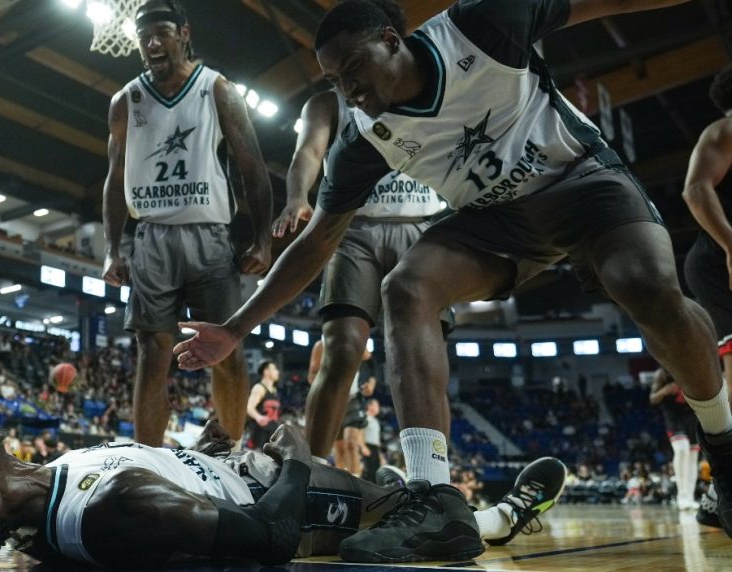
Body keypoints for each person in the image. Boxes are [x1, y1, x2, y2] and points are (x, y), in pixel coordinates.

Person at [174, 0, 732, 562]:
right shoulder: (363, 140)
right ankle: (434, 499)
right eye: (335, 80)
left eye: (353, 67)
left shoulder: (484, 24)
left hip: (582, 183)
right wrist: (235, 329)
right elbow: (317, 242)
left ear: (390, 39)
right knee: (406, 287)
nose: (349, 89)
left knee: (644, 286)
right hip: (499, 222)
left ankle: (724, 443)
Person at [0, 423, 565, 570]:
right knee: (421, 507)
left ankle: (404, 493)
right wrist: (297, 458)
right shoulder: (113, 507)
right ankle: (502, 516)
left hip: (232, 470)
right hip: (279, 496)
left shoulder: (45, 497)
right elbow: (270, 540)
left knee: (396, 496)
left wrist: (194, 459)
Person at [273, 0, 442, 470]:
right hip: (354, 229)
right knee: (343, 348)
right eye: (334, 74)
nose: (344, 81)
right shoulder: (328, 104)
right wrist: (297, 196)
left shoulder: (427, 78)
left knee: (420, 355)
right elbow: (307, 152)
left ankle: (430, 478)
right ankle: (309, 472)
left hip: (423, 226)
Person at [100, 0, 273, 445]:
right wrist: (111, 249)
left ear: (184, 33)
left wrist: (262, 239)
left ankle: (230, 453)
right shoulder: (126, 100)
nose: (153, 44)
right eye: (145, 37)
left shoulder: (216, 89)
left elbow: (253, 168)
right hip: (151, 236)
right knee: (151, 352)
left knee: (226, 349)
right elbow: (115, 178)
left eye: (162, 33)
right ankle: (148, 460)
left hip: (209, 236)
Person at [683, 64, 732, 528]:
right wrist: (731, 245)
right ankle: (723, 489)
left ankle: (719, 492)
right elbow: (695, 190)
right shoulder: (725, 130)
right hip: (719, 261)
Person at [649, 368, 700, 511]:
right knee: (682, 449)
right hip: (673, 415)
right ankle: (681, 496)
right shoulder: (662, 373)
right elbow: (652, 398)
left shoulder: (691, 368)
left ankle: (690, 497)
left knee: (693, 456)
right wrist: (664, 391)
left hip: (691, 413)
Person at [245, 360, 281, 449]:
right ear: (266, 371)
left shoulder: (274, 390)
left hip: (272, 432)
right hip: (260, 433)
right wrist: (258, 417)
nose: (277, 372)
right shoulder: (259, 388)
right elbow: (249, 407)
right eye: (274, 369)